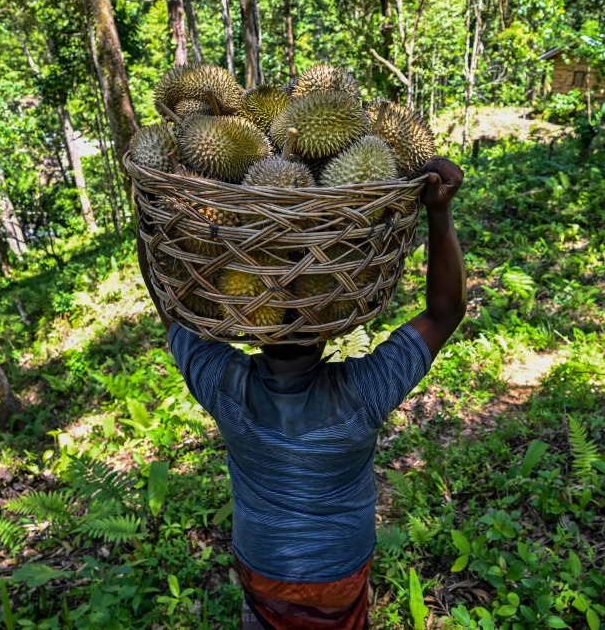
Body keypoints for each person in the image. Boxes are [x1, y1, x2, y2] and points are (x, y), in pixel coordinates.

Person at [136, 156, 467, 629]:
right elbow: (443, 314)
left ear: (253, 322)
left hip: (263, 567)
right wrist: (439, 213)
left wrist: (149, 212)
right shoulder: (363, 394)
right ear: (329, 319)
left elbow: (167, 303)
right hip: (341, 571)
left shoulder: (225, 389)